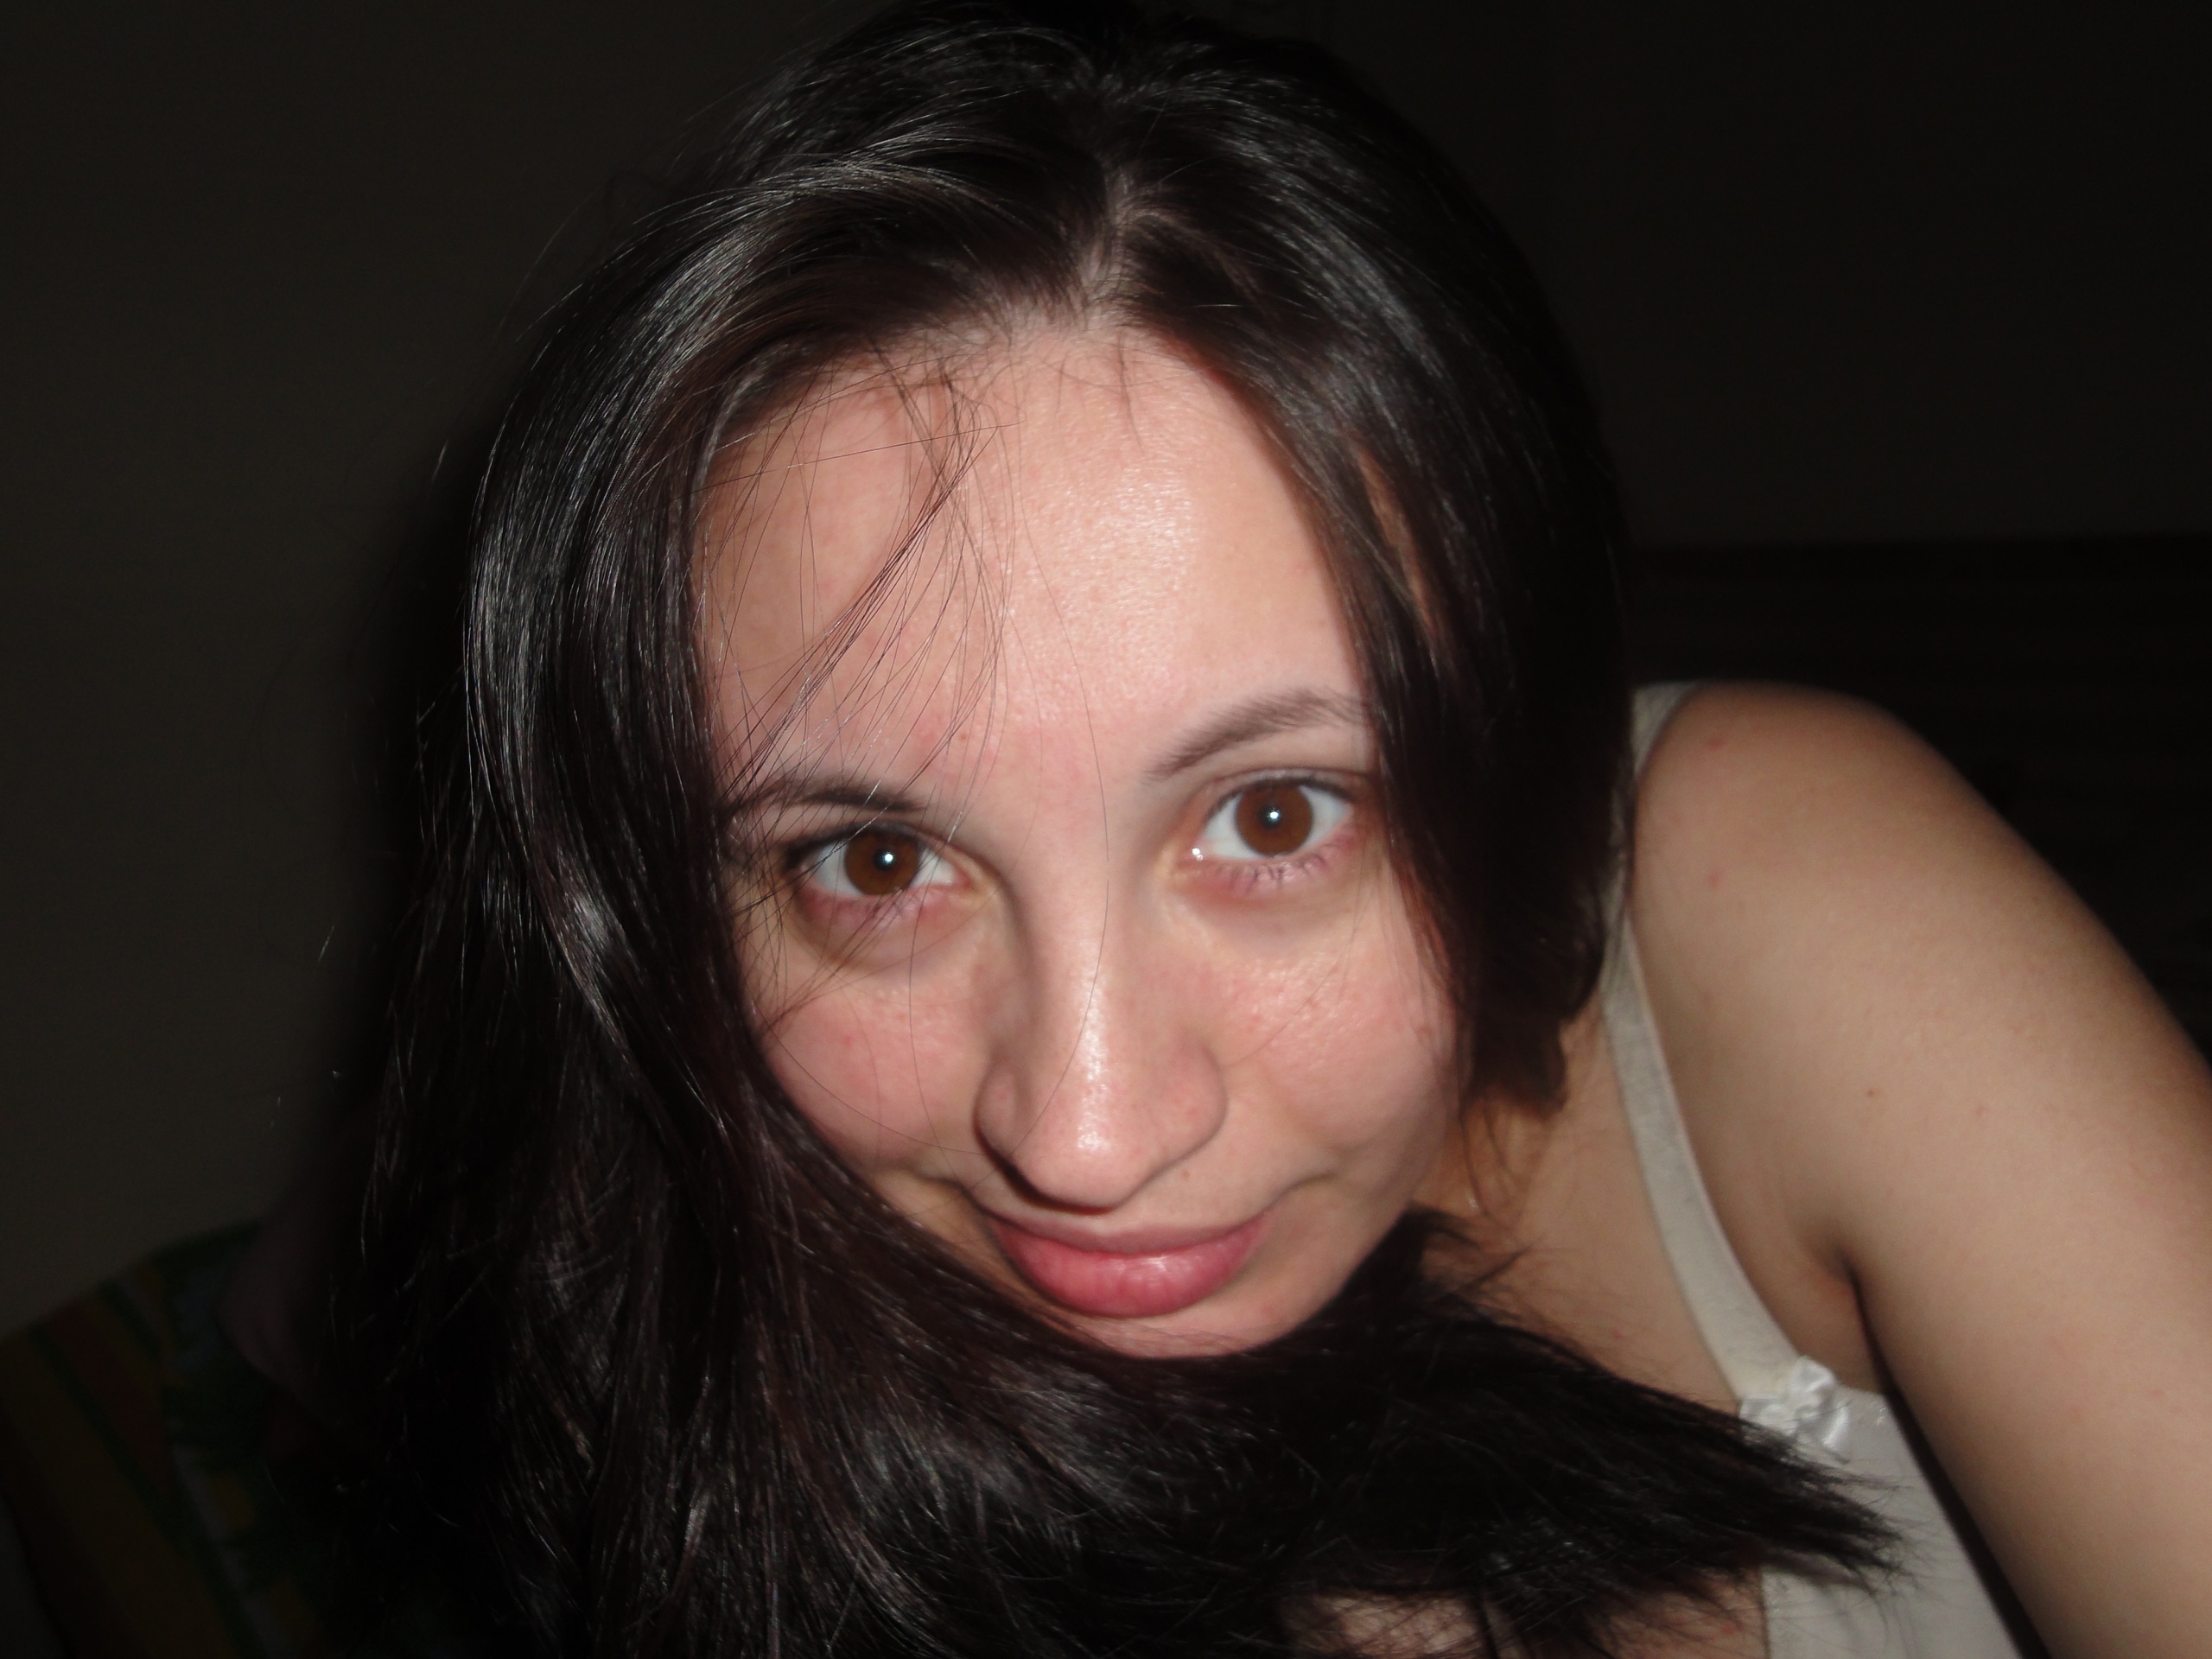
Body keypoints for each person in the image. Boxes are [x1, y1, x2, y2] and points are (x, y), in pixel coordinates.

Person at [309, 3, 2212, 1655]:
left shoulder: (1770, 882)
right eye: (876, 864)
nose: (1085, 1138)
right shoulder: (696, 1377)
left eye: (1276, 814)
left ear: (1526, 739)